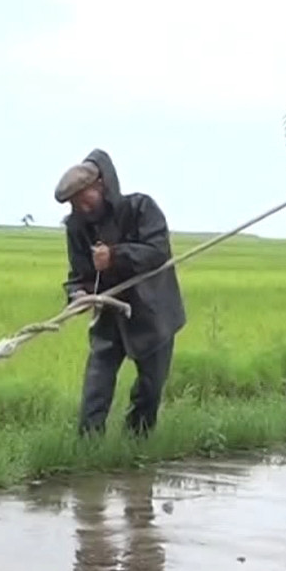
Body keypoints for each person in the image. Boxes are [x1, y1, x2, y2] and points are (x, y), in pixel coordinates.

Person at [56, 149, 185, 438]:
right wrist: (77, 293)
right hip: (110, 317)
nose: (81, 205)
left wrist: (115, 256)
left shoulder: (141, 208)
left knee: (150, 389)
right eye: (74, 201)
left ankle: (136, 447)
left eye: (84, 195)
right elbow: (79, 275)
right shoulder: (77, 228)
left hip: (153, 314)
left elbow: (157, 252)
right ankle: (88, 450)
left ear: (101, 185)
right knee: (96, 387)